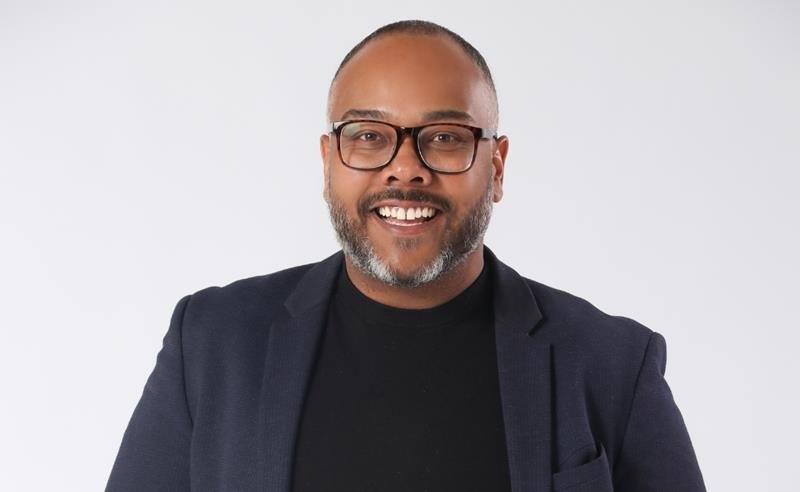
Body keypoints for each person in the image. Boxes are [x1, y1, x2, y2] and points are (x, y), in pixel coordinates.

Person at [106, 20, 706, 492]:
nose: (405, 169)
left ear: (496, 168)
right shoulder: (211, 343)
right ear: (328, 162)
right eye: (369, 135)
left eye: (444, 138)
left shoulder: (613, 366)